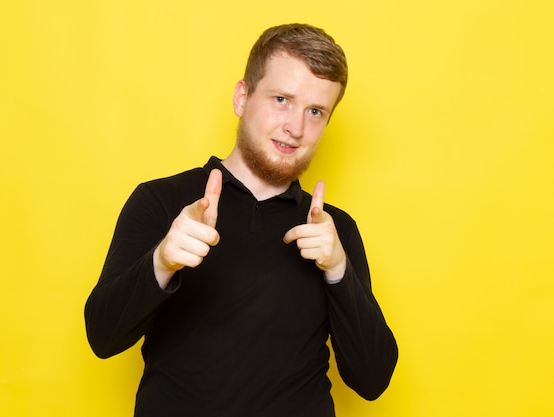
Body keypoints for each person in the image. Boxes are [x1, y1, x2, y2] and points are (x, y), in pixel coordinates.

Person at [85, 23, 398, 417]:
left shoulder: (333, 231)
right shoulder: (161, 201)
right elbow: (102, 337)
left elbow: (373, 381)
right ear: (241, 97)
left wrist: (338, 270)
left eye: (315, 111)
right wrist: (161, 262)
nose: (296, 128)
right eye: (282, 99)